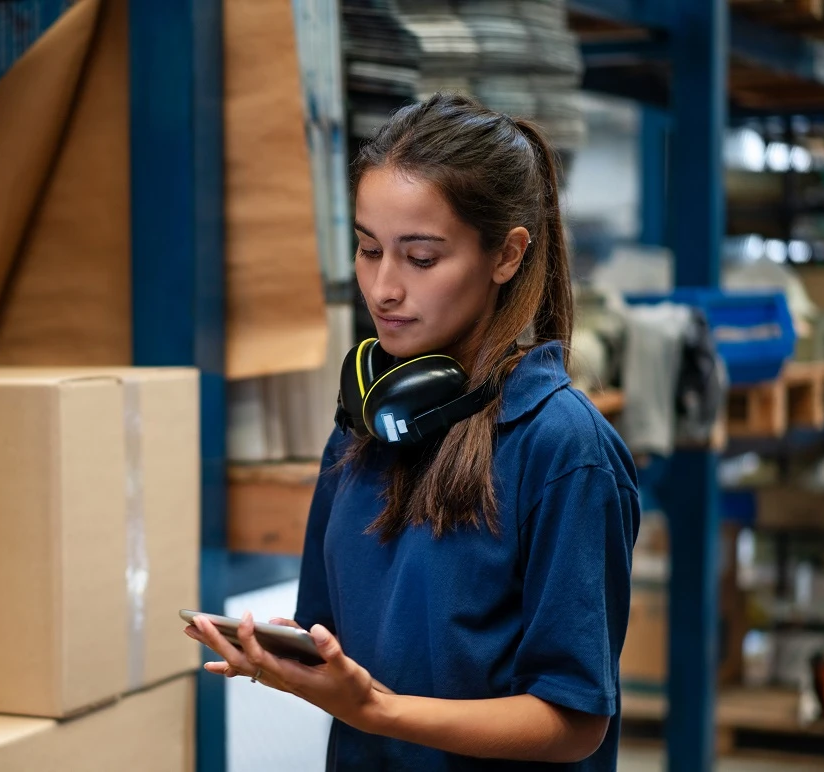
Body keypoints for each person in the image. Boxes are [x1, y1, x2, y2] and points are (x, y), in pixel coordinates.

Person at [185, 92, 640, 770]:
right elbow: (335, 639)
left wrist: (375, 707)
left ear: (508, 255)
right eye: (368, 250)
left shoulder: (562, 449)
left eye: (421, 258)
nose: (383, 289)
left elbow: (572, 721)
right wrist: (292, 661)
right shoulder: (363, 427)